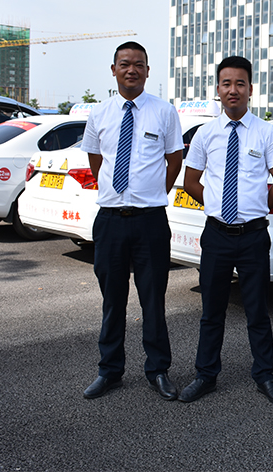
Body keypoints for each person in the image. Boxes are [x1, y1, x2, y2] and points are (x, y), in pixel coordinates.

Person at [178, 56, 273, 405]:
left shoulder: (265, 132)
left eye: (240, 83)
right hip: (216, 235)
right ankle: (205, 375)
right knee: (212, 311)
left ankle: (265, 375)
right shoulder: (205, 134)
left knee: (257, 310)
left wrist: (253, 208)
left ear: (250, 89)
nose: (233, 90)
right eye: (226, 83)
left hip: (253, 235)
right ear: (218, 89)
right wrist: (217, 205)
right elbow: (191, 181)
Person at [81, 41, 183, 400]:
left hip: (150, 221)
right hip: (110, 220)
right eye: (124, 64)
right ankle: (109, 371)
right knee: (112, 301)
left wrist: (153, 192)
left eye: (139, 64)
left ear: (148, 71)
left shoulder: (164, 112)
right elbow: (95, 158)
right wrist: (116, 190)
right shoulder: (99, 113)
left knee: (153, 300)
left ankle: (158, 370)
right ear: (114, 70)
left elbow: (174, 159)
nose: (132, 70)